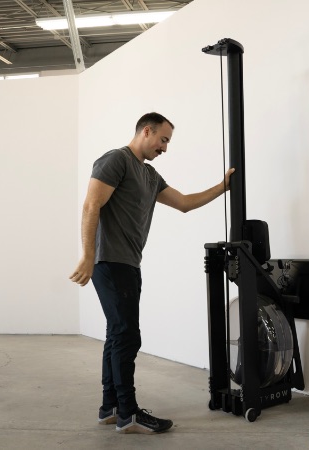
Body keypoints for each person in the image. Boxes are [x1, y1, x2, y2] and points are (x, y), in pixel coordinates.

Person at [69, 112, 234, 434]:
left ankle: (111, 407)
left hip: (128, 263)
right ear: (147, 131)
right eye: (164, 139)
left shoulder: (149, 175)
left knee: (117, 335)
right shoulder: (116, 160)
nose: (165, 147)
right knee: (128, 336)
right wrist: (89, 255)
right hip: (111, 262)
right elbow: (91, 205)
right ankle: (129, 414)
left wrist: (224, 186)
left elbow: (185, 203)